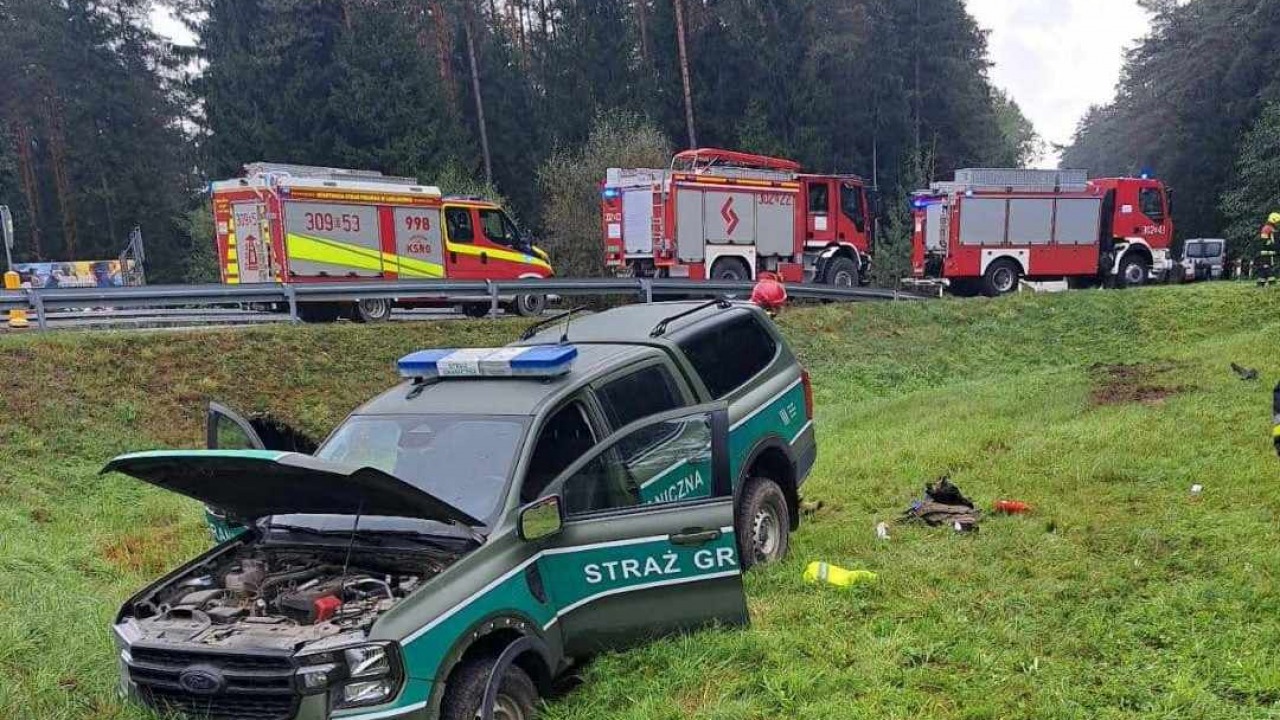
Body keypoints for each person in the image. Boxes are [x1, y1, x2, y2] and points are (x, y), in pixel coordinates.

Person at [1258, 212, 1280, 286]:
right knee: (1267, 268)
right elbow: (1264, 242)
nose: (1278, 224)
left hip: (1270, 253)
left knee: (1266, 268)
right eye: (1277, 222)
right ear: (1273, 221)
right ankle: (1271, 283)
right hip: (1266, 253)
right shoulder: (1267, 228)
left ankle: (1262, 284)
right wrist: (1273, 247)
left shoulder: (1272, 229)